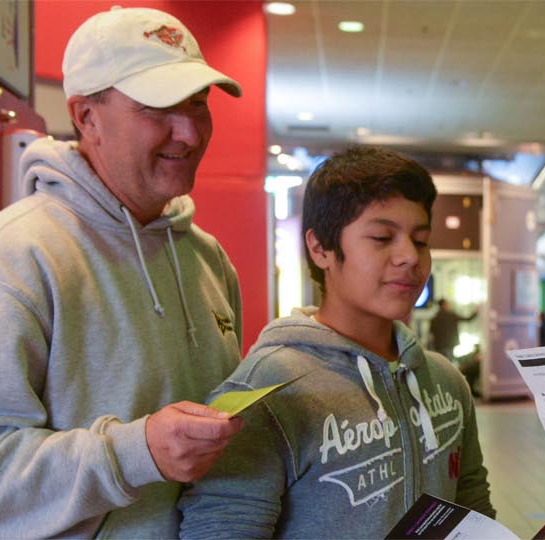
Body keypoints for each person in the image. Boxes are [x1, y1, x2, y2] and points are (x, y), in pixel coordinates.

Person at [0, 7, 246, 537]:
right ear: (87, 117)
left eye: (198, 105)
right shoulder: (8, 260)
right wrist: (134, 453)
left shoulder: (207, 260)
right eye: (159, 108)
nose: (189, 132)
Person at [178, 147, 493, 537]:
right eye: (382, 237)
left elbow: (473, 507)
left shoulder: (446, 381)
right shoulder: (266, 390)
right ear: (320, 248)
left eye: (421, 240)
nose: (410, 257)